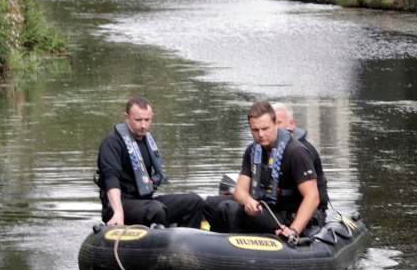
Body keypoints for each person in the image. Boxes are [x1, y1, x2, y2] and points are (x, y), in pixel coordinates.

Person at [213, 101, 322, 241]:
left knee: (228, 209)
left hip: (290, 217)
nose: (261, 134)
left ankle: (228, 249)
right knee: (211, 206)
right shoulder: (252, 151)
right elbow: (240, 190)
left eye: (265, 129)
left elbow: (313, 197)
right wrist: (247, 200)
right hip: (268, 210)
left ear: (276, 124)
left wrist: (293, 230)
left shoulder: (296, 152)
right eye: (255, 130)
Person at [95, 96, 208, 228]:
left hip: (145, 201)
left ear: (151, 117)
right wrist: (118, 212)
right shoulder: (112, 143)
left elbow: (156, 176)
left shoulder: (147, 141)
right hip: (120, 205)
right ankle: (164, 245)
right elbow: (111, 179)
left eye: (147, 120)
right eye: (138, 120)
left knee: (194, 201)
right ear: (127, 117)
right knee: (156, 209)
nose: (143, 125)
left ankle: (187, 244)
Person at [272, 102, 330, 213]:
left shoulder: (301, 151)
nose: (275, 128)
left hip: (310, 210)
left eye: (278, 123)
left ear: (292, 124)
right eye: (272, 124)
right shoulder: (271, 148)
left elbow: (310, 195)